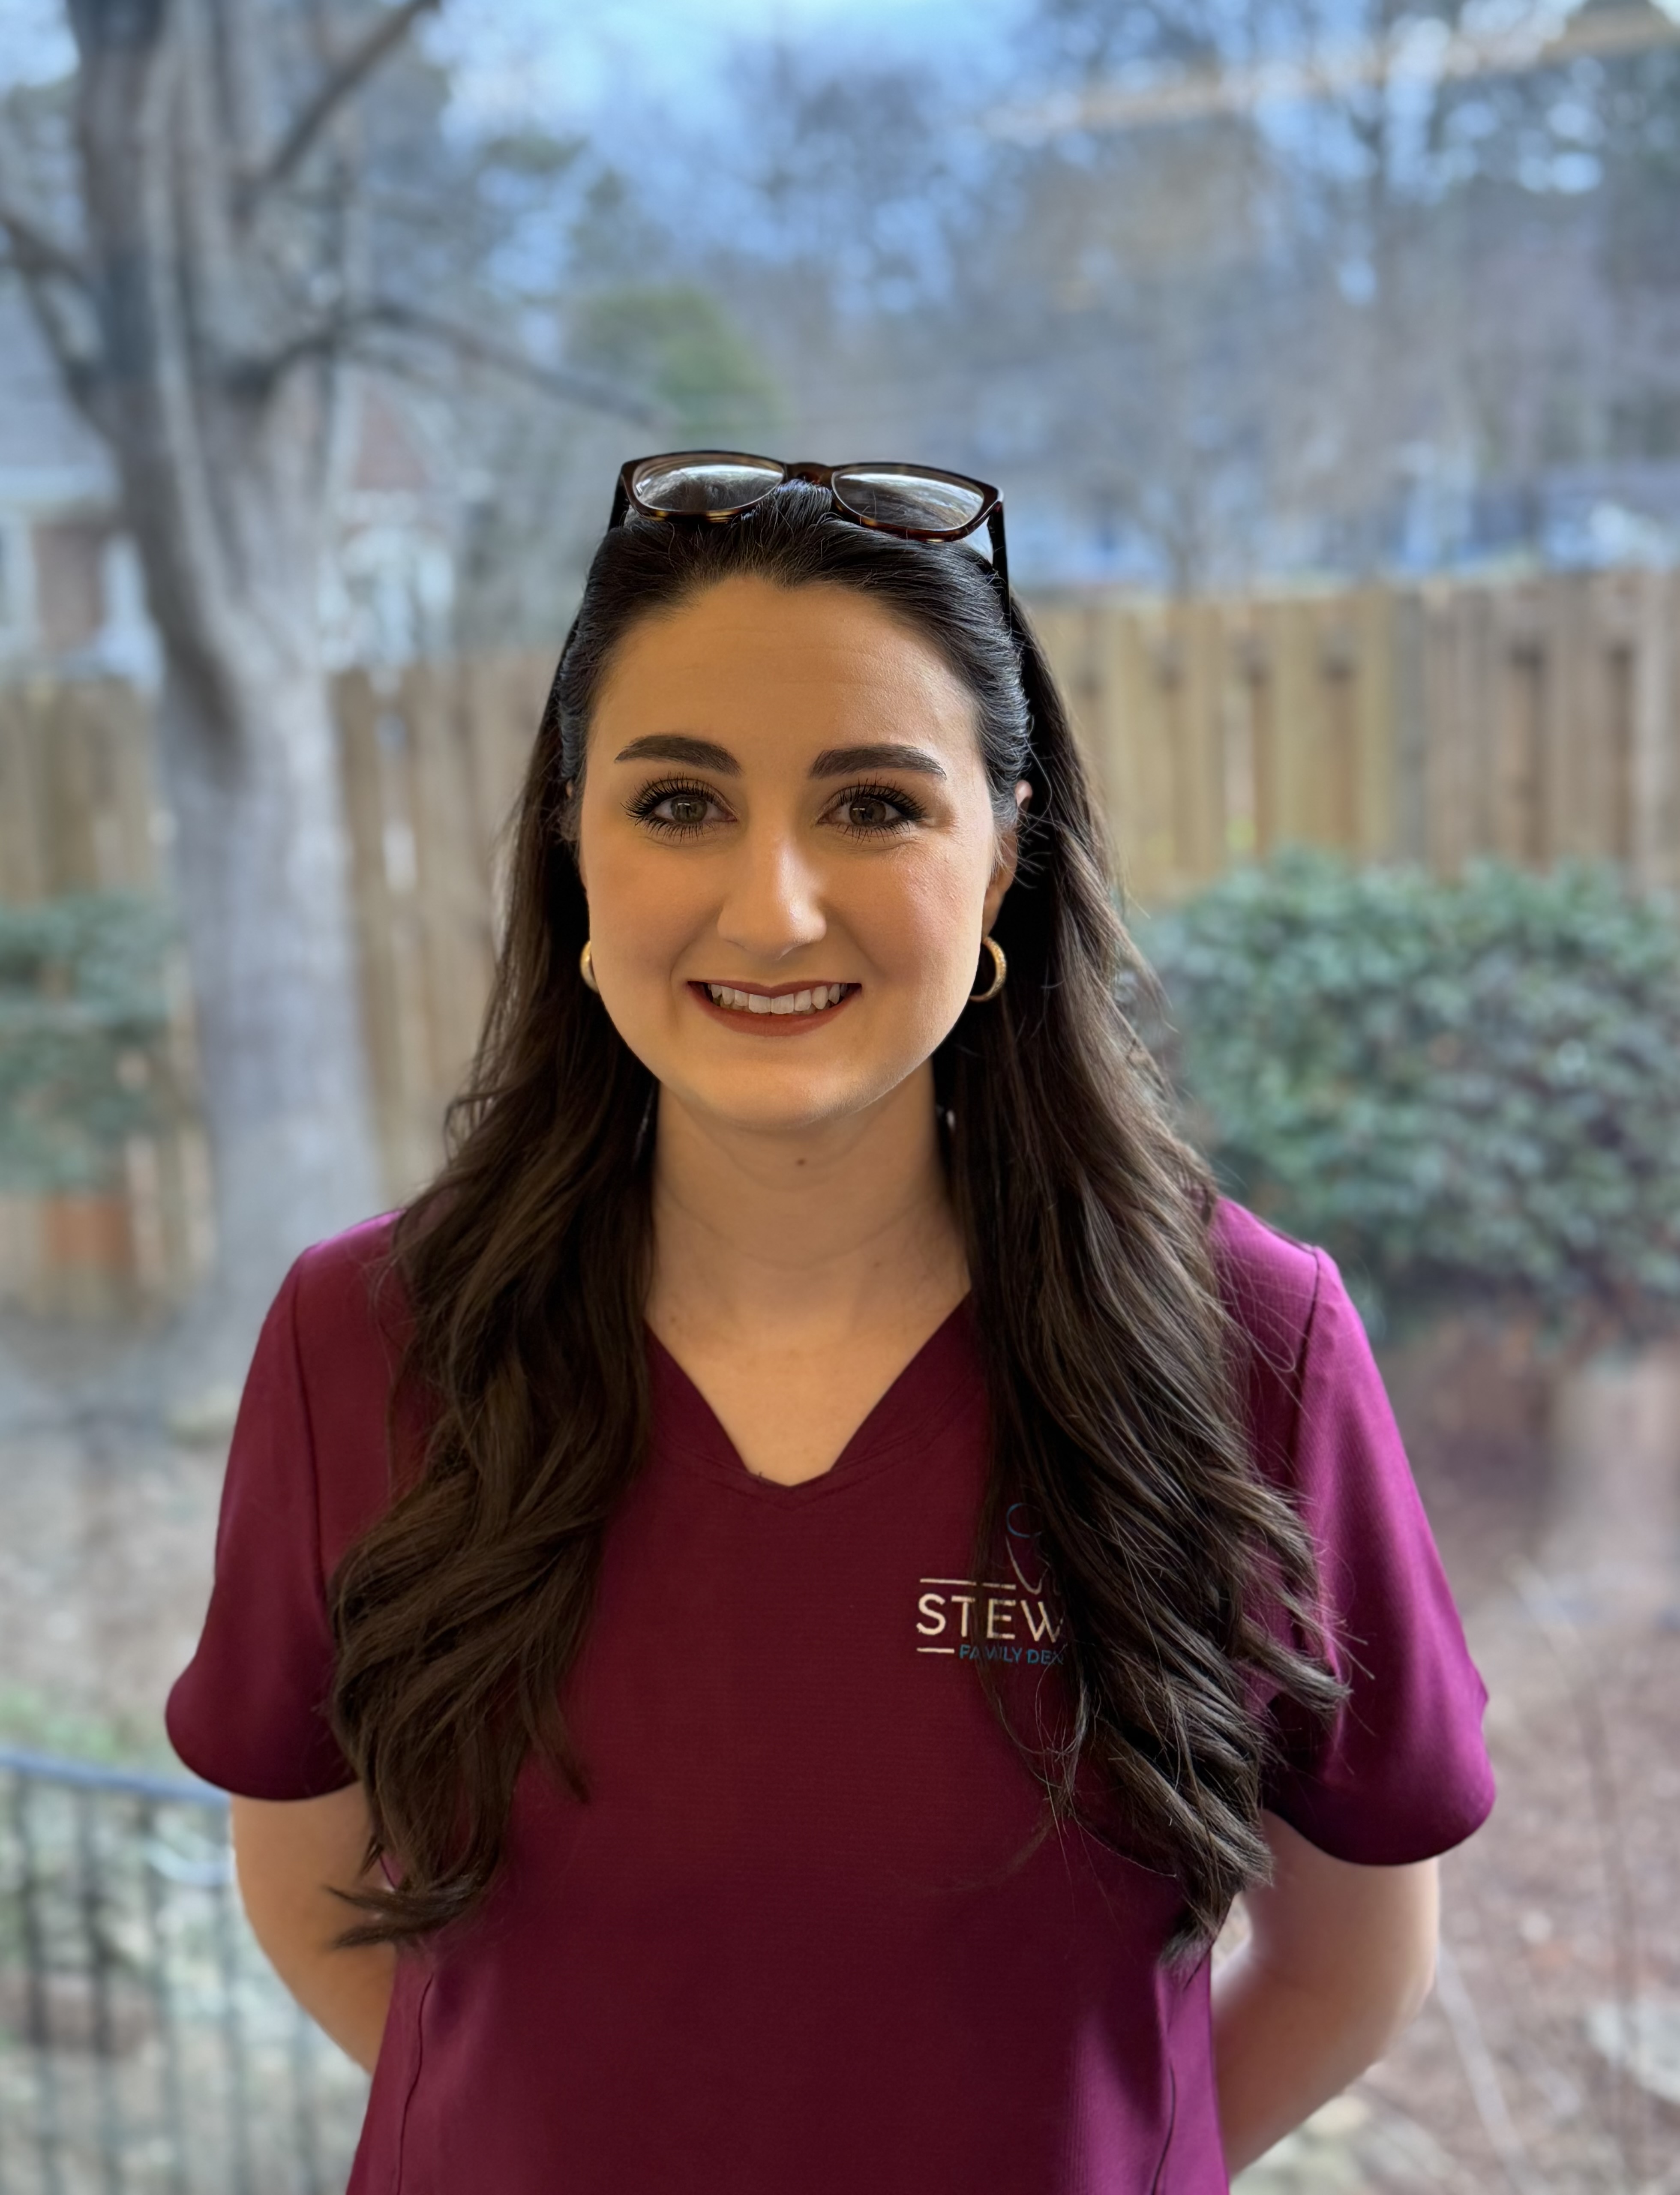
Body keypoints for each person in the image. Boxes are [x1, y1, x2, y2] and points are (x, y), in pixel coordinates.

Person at [166, 454, 1496, 2194]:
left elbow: (1348, 1962)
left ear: (1007, 848)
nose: (773, 906)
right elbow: (306, 1881)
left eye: (873, 805)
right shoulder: (363, 1340)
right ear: (573, 847)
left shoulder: (1248, 1342)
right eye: (675, 805)